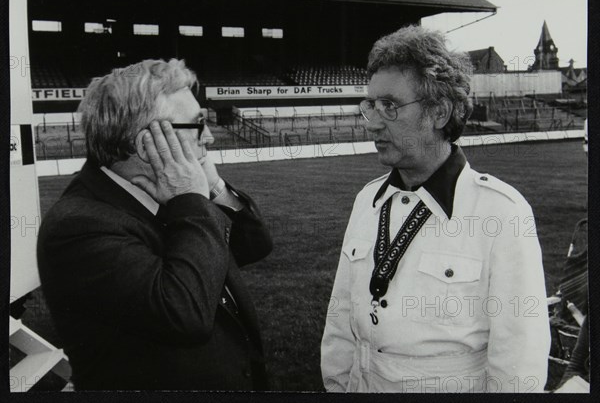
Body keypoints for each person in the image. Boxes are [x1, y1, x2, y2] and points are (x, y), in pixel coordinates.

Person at [321, 26, 550, 393]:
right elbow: (340, 323)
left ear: (439, 113)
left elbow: (518, 364)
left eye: (391, 107)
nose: (374, 122)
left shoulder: (501, 213)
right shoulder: (367, 200)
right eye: (372, 106)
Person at [37, 59, 272, 390]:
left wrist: (214, 186)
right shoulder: (78, 226)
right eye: (197, 124)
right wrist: (190, 199)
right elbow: (184, 313)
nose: (210, 138)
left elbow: (255, 244)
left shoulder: (163, 187)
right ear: (146, 144)